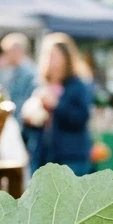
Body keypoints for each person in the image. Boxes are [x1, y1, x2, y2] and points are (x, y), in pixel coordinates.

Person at [22, 32, 93, 175]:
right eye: (48, 55)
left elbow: (81, 117)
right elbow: (30, 127)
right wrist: (30, 119)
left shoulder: (77, 85)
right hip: (43, 157)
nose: (50, 60)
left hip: (70, 157)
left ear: (66, 58)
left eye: (54, 55)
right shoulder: (40, 85)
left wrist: (56, 105)